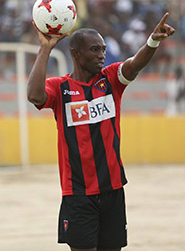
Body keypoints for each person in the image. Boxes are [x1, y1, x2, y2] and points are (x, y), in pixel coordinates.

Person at [27, 13, 175, 251]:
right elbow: (34, 95)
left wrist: (153, 41)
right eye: (95, 50)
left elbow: (134, 65)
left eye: (103, 49)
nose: (102, 55)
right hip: (78, 193)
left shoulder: (110, 80)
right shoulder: (60, 88)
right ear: (75, 54)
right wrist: (45, 48)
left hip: (113, 190)